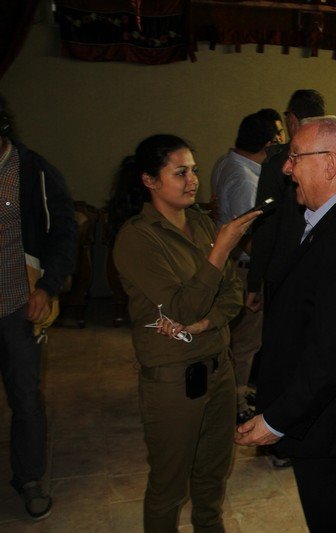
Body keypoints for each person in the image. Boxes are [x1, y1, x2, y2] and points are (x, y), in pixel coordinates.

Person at [235, 116, 336, 531]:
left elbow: (333, 352)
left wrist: (277, 420)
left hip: (334, 421)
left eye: (294, 157)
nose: (286, 168)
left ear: (329, 163)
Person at [110, 134, 261, 532]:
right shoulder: (137, 237)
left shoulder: (201, 223)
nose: (193, 180)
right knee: (169, 485)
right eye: (180, 172)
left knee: (213, 475)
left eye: (194, 170)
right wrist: (220, 251)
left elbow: (232, 293)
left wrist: (208, 323)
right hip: (173, 379)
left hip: (219, 368)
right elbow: (181, 309)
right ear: (150, 180)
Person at [0, 95, 76, 520]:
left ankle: (28, 478)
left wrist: (47, 287)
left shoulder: (32, 171)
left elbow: (64, 234)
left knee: (26, 398)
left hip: (17, 305)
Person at [211, 109, 282, 423]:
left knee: (238, 337)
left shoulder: (227, 162)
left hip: (231, 264)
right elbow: (247, 238)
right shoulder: (245, 178)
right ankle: (236, 401)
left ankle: (234, 391)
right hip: (243, 267)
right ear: (268, 144)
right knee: (246, 341)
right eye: (278, 137)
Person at [245, 89, 325, 313]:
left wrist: (254, 282)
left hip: (284, 272)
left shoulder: (279, 162)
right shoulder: (332, 160)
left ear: (292, 119)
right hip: (320, 271)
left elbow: (266, 226)